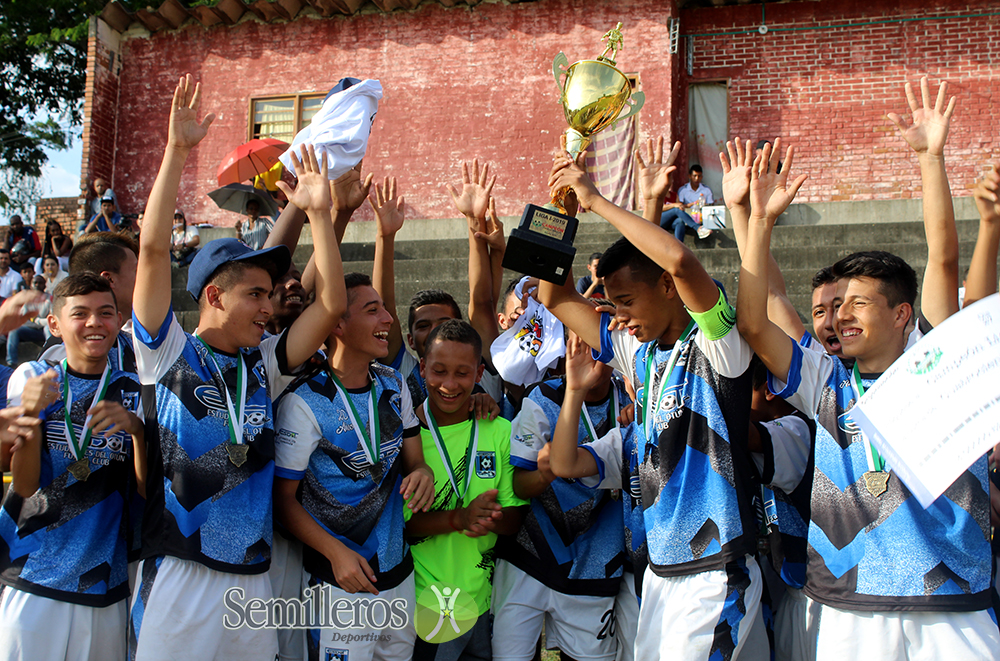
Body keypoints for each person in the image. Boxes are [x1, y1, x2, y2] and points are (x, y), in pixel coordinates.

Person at [737, 80, 999, 660]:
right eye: (836, 305)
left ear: (903, 314)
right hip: (849, 607)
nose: (842, 316)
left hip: (950, 597)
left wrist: (931, 158)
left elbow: (944, 255)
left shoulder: (933, 362)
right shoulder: (824, 380)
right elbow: (754, 325)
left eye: (859, 303)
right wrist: (757, 222)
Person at [128, 75, 348, 660]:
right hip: (180, 572)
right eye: (255, 293)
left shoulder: (264, 365)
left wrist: (320, 214)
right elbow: (151, 252)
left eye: (270, 293)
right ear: (214, 297)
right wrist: (177, 150)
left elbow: (330, 307)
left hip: (253, 581)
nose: (270, 306)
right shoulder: (166, 352)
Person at [542, 137, 765, 660]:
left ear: (666, 288)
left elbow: (685, 263)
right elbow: (553, 297)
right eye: (610, 303)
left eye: (624, 300)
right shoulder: (636, 353)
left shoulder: (717, 345)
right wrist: (562, 213)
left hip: (716, 566)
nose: (615, 315)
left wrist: (597, 200)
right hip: (661, 572)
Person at [273, 271, 435, 661]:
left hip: (399, 572)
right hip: (339, 579)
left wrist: (423, 474)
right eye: (372, 310)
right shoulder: (304, 402)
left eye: (384, 309)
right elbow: (282, 502)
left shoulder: (393, 384)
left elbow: (416, 460)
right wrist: (335, 554)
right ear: (338, 324)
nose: (388, 320)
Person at [0, 272, 144, 660]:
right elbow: (26, 486)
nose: (95, 322)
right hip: (32, 577)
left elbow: (146, 492)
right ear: (54, 324)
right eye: (80, 313)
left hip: (103, 585)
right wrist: (30, 417)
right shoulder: (33, 378)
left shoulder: (134, 390)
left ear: (119, 320)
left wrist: (137, 432)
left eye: (106, 312)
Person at [493, 327, 631, 661]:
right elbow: (518, 485)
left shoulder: (631, 401)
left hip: (596, 569)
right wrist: (548, 469)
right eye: (578, 340)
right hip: (530, 559)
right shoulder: (544, 396)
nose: (588, 352)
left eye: (598, 342)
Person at [405, 319, 526, 659]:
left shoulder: (499, 430)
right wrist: (461, 518)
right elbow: (405, 525)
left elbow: (513, 519)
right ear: (423, 368)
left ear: (478, 374)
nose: (449, 384)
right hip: (426, 601)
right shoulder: (408, 438)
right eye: (439, 371)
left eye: (462, 373)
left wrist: (486, 517)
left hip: (483, 600)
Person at [6, 275, 49, 367]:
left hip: (45, 330)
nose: (37, 285)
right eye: (35, 283)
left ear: (45, 286)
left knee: (47, 328)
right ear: (31, 285)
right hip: (31, 330)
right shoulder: (27, 300)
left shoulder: (50, 299)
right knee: (14, 330)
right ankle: (11, 362)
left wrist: (36, 321)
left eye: (40, 283)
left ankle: (49, 359)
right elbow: (23, 319)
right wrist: (38, 322)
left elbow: (52, 319)